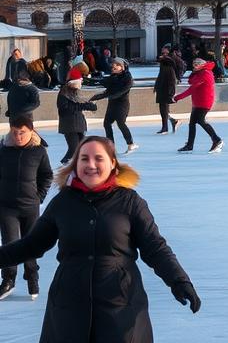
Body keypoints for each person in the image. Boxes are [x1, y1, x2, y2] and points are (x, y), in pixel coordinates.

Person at [0, 135, 200, 338]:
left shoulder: (130, 202)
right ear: (76, 164)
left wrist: (179, 281)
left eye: (99, 158)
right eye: (84, 158)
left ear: (113, 163)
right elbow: (31, 245)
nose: (91, 164)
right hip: (69, 307)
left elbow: (155, 247)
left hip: (120, 306)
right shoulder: (63, 202)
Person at [0, 115, 52, 301]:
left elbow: (47, 175)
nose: (18, 136)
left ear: (31, 131)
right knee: (10, 244)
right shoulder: (3, 149)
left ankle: (32, 277)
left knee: (31, 245)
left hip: (30, 207)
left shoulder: (38, 151)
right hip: (6, 208)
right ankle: (8, 280)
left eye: (22, 133)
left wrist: (39, 197)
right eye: (15, 133)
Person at [174, 58, 223, 154]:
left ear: (202, 65)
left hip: (204, 102)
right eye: (193, 65)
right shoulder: (200, 73)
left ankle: (217, 140)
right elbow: (191, 82)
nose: (194, 67)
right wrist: (194, 73)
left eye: (196, 65)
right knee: (192, 123)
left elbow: (191, 89)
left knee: (201, 121)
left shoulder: (206, 74)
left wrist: (177, 98)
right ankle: (190, 145)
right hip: (197, 102)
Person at [90, 58, 136, 154]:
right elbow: (103, 84)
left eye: (117, 65)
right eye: (113, 64)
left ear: (122, 67)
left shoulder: (128, 78)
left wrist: (110, 96)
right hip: (112, 103)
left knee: (121, 123)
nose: (114, 66)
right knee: (106, 123)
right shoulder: (112, 77)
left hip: (122, 104)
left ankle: (131, 143)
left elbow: (121, 92)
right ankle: (111, 146)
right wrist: (87, 81)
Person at [55, 78, 96, 165]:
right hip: (69, 125)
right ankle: (64, 164)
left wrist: (88, 105)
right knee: (73, 148)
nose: (80, 85)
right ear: (72, 83)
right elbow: (64, 109)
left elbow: (79, 104)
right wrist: (83, 106)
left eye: (80, 82)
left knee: (82, 147)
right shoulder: (64, 94)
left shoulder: (75, 93)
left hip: (78, 124)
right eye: (78, 83)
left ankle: (79, 166)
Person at [153, 46, 181, 135]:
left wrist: (171, 90)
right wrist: (156, 86)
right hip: (162, 86)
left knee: (164, 107)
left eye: (165, 52)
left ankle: (166, 126)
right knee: (163, 108)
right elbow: (160, 74)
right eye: (162, 52)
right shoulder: (164, 62)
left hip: (167, 86)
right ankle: (170, 123)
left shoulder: (170, 60)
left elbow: (172, 64)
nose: (163, 54)